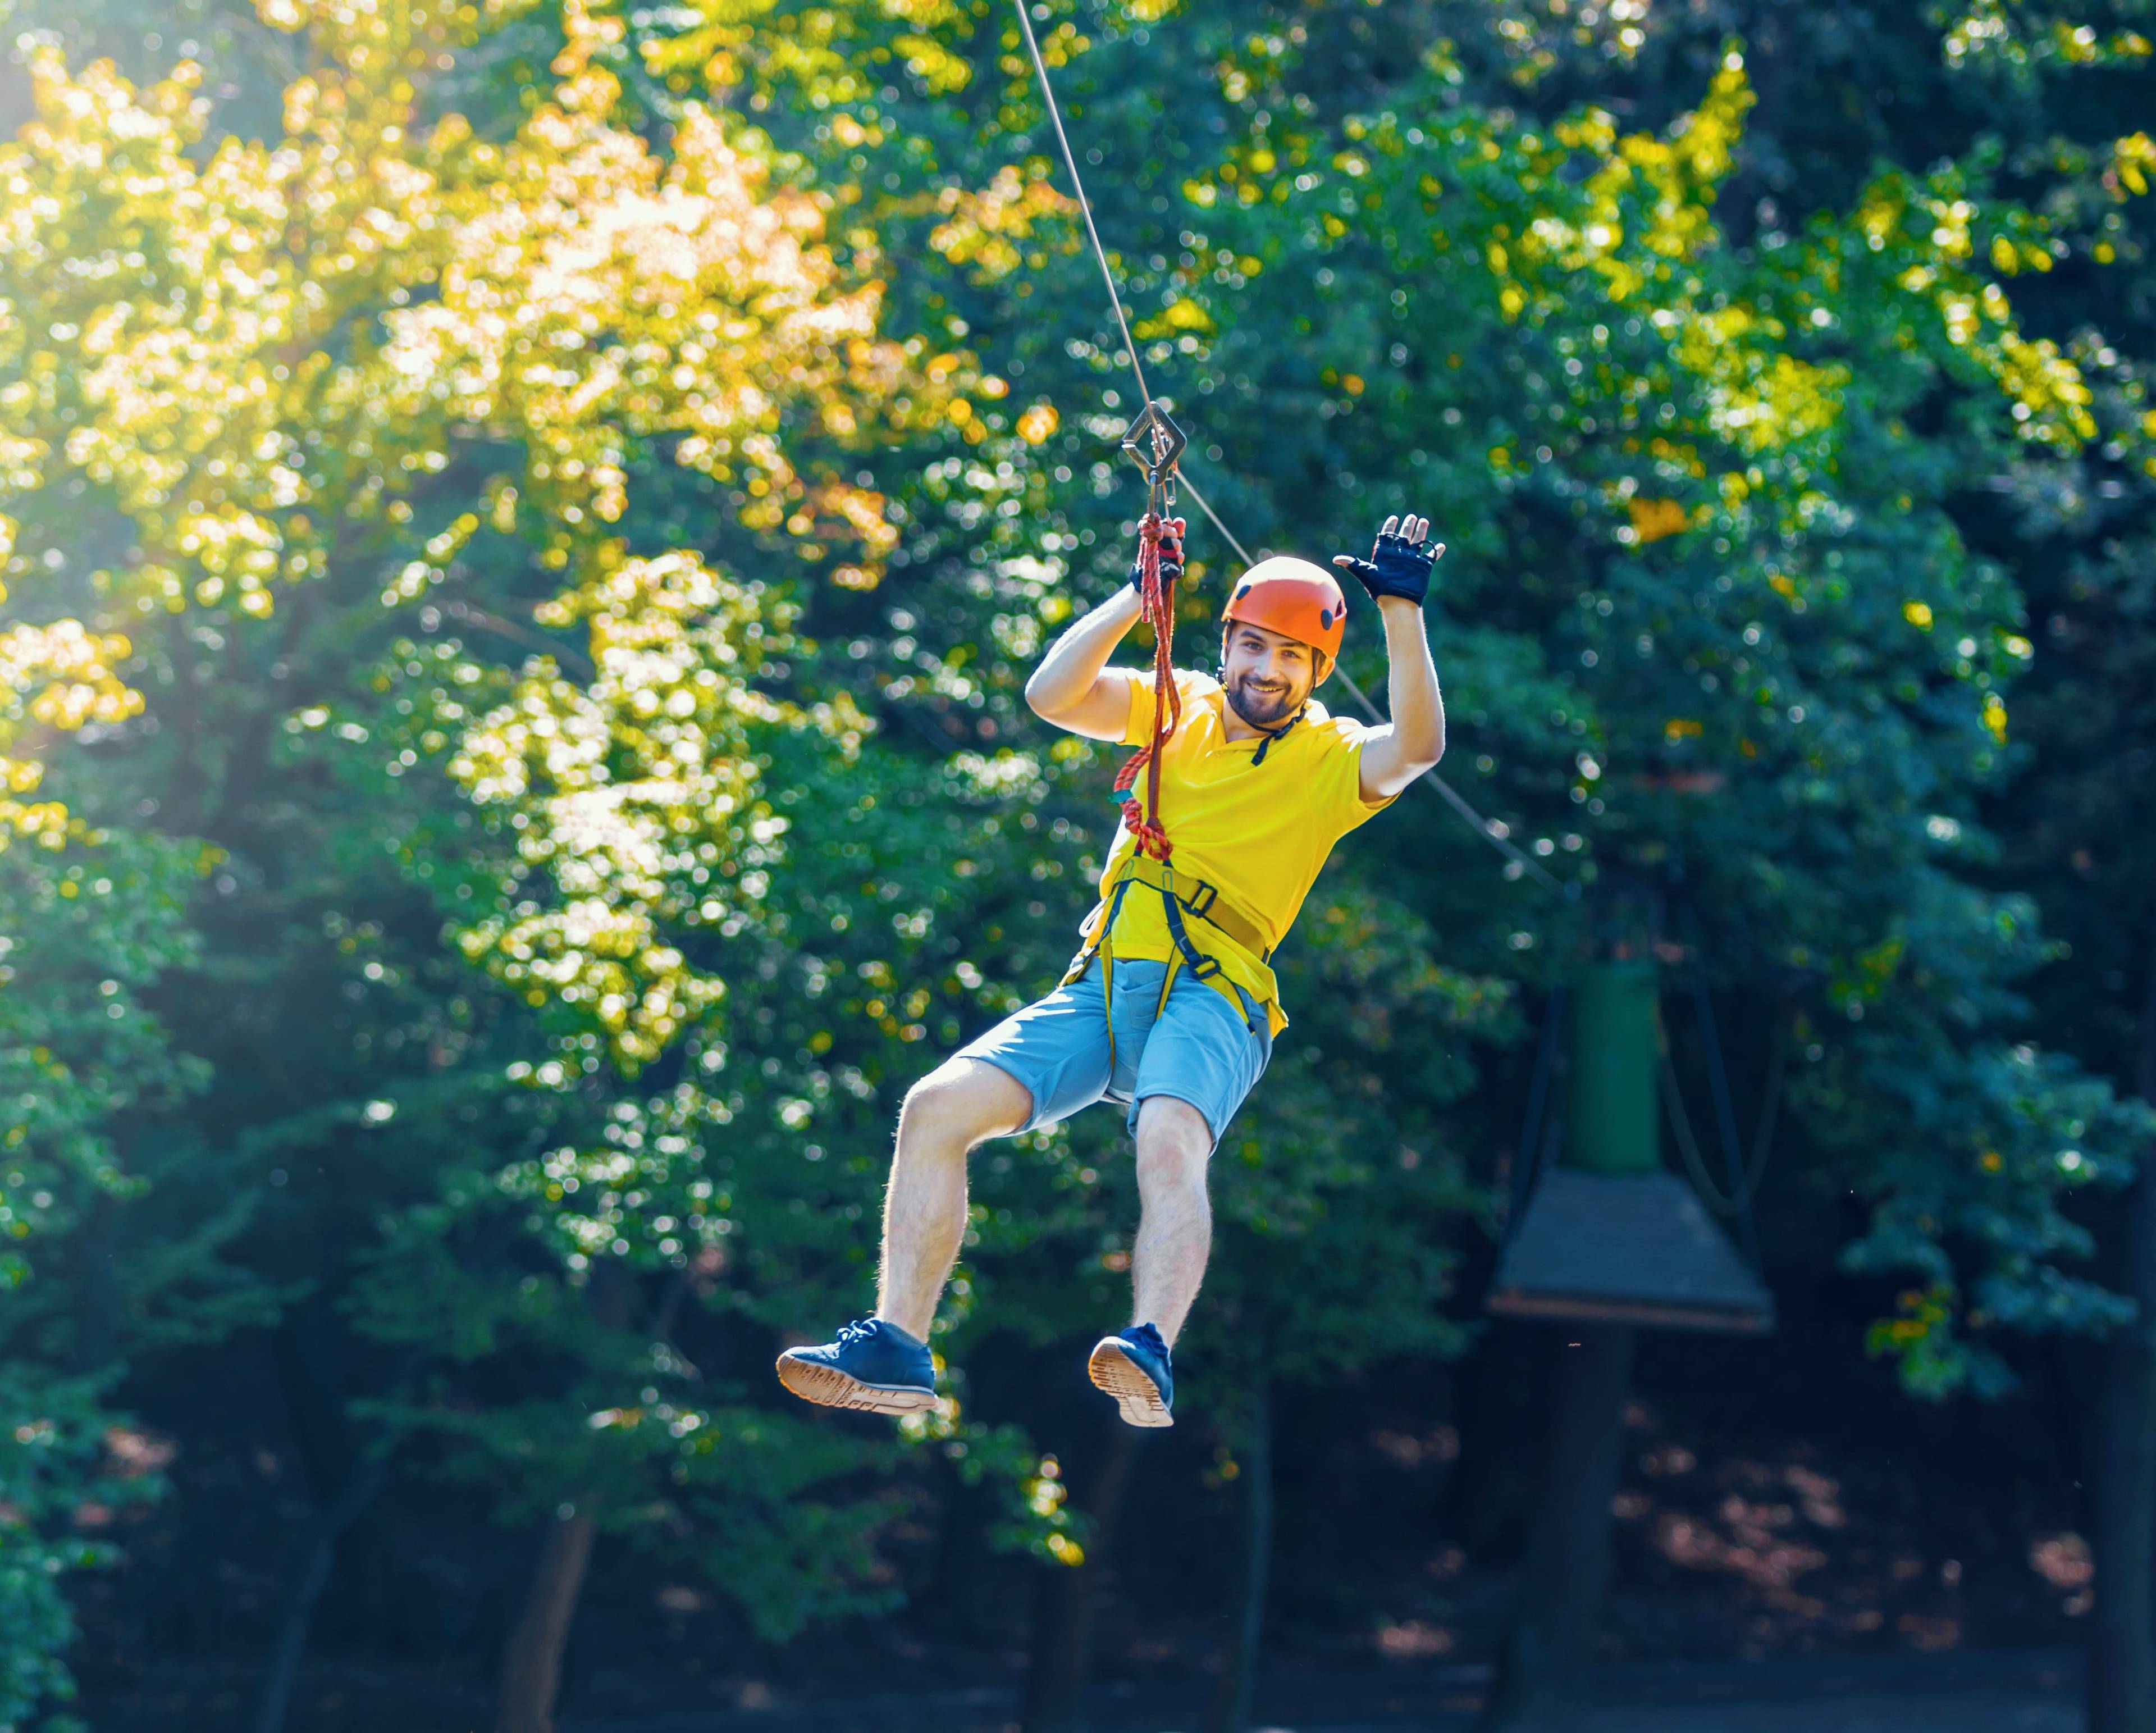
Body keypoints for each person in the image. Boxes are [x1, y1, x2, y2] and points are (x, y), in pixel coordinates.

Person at [776, 513, 1445, 1426]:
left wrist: (1401, 611)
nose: (1265, 668)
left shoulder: (1329, 761)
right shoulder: (1180, 707)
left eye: (1290, 655)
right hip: (1102, 979)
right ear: (1226, 644)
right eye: (1251, 644)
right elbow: (1054, 693)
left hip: (1216, 991)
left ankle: (1151, 1348)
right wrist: (1141, 597)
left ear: (1318, 671)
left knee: (1167, 1135)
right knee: (936, 1108)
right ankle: (898, 1343)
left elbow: (1417, 747)